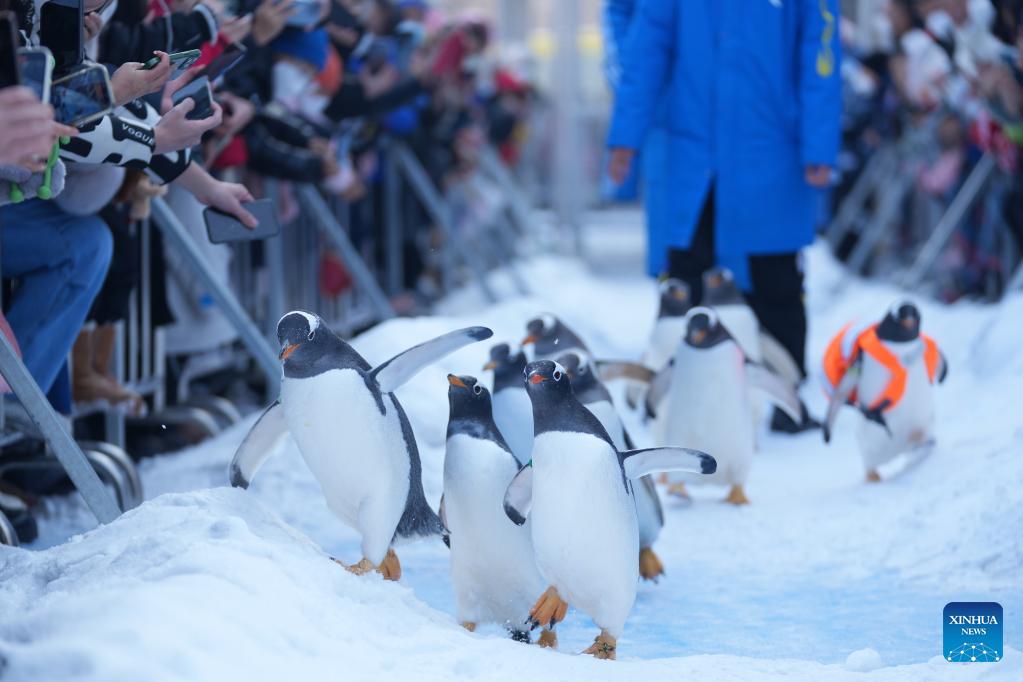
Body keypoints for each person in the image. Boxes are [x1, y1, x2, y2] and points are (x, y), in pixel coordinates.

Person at [607, 0, 843, 431]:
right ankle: (681, 400)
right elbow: (648, 49)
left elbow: (821, 52)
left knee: (777, 282)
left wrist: (819, 141)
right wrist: (626, 135)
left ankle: (784, 401)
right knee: (686, 280)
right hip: (695, 151)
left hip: (770, 147)